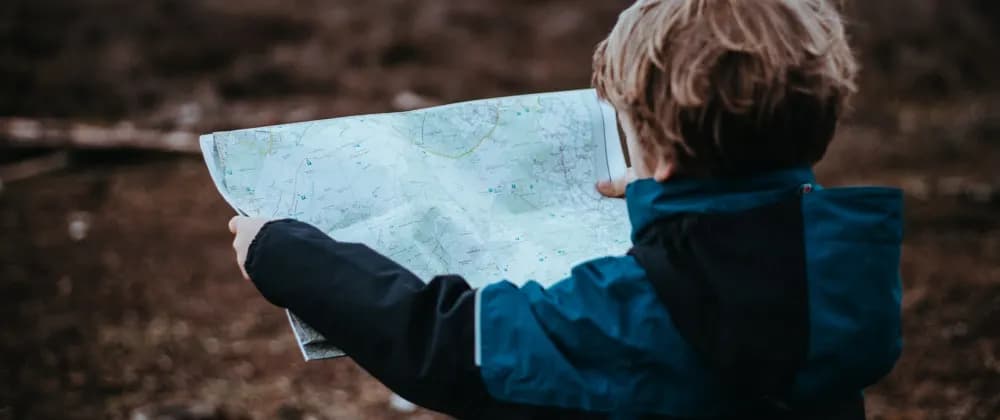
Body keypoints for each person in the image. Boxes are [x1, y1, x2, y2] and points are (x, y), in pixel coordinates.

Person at [227, 0, 903, 418]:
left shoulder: (634, 310)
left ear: (660, 153)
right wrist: (657, 203)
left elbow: (450, 347)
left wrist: (284, 254)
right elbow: (739, 244)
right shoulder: (846, 271)